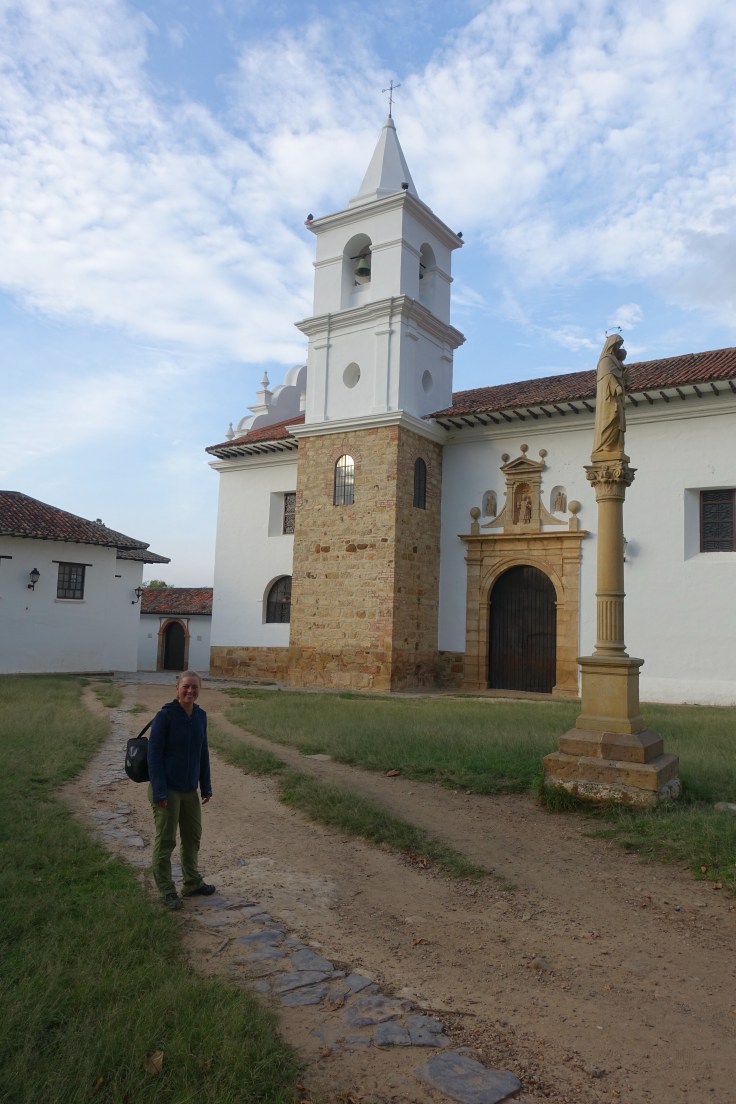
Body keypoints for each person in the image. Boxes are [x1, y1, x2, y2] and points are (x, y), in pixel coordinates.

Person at [147, 670, 215, 909]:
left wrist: (206, 785)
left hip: (189, 789)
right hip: (167, 789)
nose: (190, 691)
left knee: (192, 836)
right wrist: (159, 791)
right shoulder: (164, 716)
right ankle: (167, 890)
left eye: (194, 687)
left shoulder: (200, 716)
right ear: (177, 688)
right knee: (166, 840)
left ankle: (192, 882)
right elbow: (153, 756)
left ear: (199, 689)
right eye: (186, 686)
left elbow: (202, 752)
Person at [592, 333, 629, 462]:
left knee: (618, 422)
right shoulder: (605, 360)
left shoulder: (617, 361)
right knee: (610, 419)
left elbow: (622, 379)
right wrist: (616, 386)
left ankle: (615, 447)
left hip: (617, 398)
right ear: (611, 345)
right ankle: (605, 446)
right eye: (617, 344)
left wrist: (624, 377)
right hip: (608, 397)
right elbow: (607, 376)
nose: (618, 347)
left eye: (619, 345)